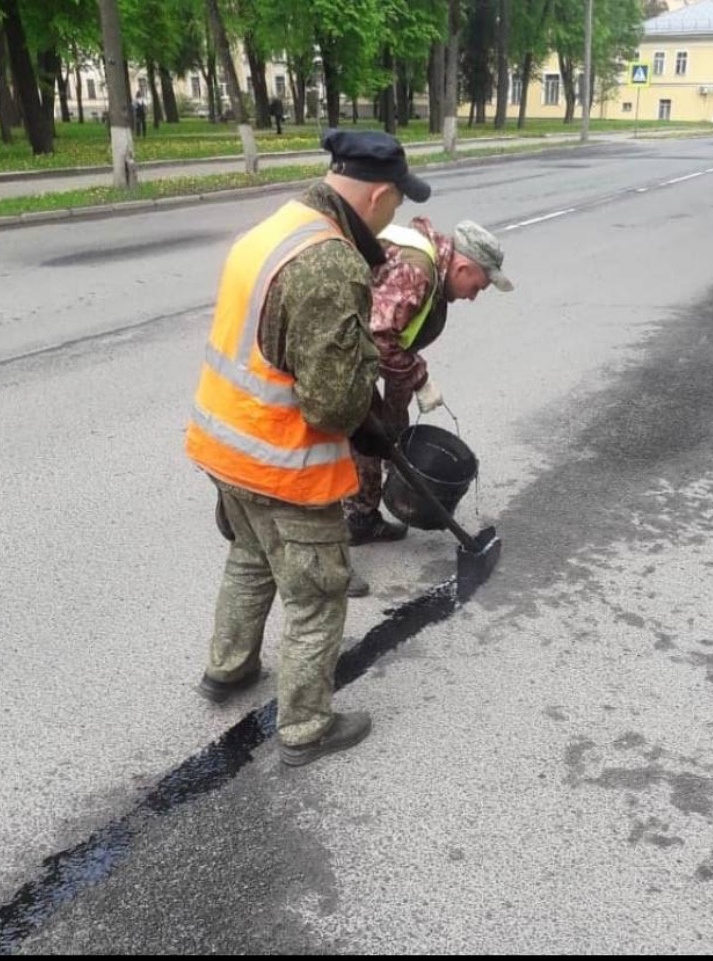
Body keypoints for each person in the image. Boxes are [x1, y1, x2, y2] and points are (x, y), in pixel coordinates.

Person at [185, 128, 431, 766]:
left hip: (224, 443)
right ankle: (304, 729)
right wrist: (368, 395)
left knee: (249, 559)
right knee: (317, 595)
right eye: (397, 202)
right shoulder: (329, 262)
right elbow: (331, 406)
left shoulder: (276, 226)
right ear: (378, 195)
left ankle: (228, 667)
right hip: (280, 463)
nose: (394, 214)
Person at [342, 218, 513, 577]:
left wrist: (396, 419)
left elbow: (393, 339)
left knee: (381, 432)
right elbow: (380, 341)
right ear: (463, 267)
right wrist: (419, 378)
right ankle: (329, 555)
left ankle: (362, 516)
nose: (473, 296)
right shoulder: (417, 271)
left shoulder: (432, 267)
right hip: (336, 351)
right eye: (477, 286)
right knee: (353, 437)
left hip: (354, 352)